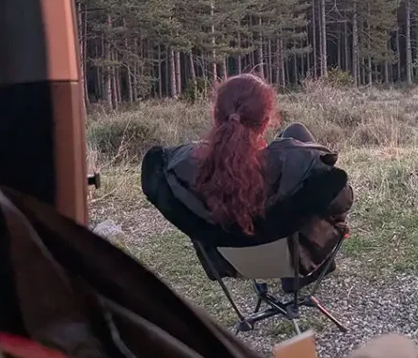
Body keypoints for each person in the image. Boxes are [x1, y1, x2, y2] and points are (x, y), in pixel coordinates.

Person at [141, 74, 352, 278]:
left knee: (295, 132)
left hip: (228, 263)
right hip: (294, 260)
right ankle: (303, 277)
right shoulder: (299, 163)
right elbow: (344, 199)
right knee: (297, 135)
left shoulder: (177, 167)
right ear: (266, 122)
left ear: (215, 116)